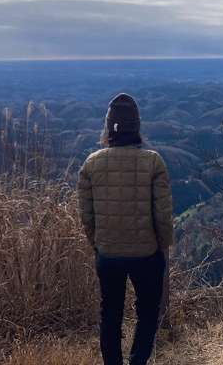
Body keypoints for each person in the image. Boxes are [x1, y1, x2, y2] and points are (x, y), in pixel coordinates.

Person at [77, 93, 174, 365]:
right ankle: (138, 361)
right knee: (147, 313)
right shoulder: (153, 161)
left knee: (110, 314)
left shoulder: (91, 163)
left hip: (108, 253)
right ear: (137, 126)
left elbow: (87, 215)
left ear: (109, 128)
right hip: (146, 254)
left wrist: (98, 244)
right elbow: (163, 215)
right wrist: (162, 246)